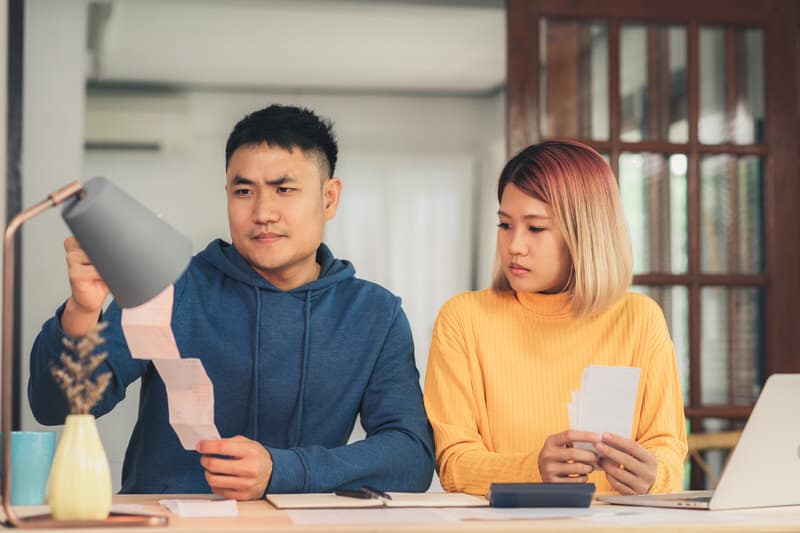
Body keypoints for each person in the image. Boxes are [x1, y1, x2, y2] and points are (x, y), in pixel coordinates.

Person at [29, 104, 434, 500]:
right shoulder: (170, 285)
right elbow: (56, 406)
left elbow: (410, 455)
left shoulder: (374, 314)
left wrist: (283, 470)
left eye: (284, 189)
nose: (262, 212)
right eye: (244, 191)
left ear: (329, 198)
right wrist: (82, 311)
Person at [424, 140, 687, 496]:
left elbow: (668, 454)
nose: (514, 245)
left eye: (535, 228)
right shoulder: (464, 319)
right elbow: (453, 464)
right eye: (505, 225)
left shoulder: (640, 319)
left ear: (585, 233)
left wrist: (654, 477)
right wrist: (532, 468)